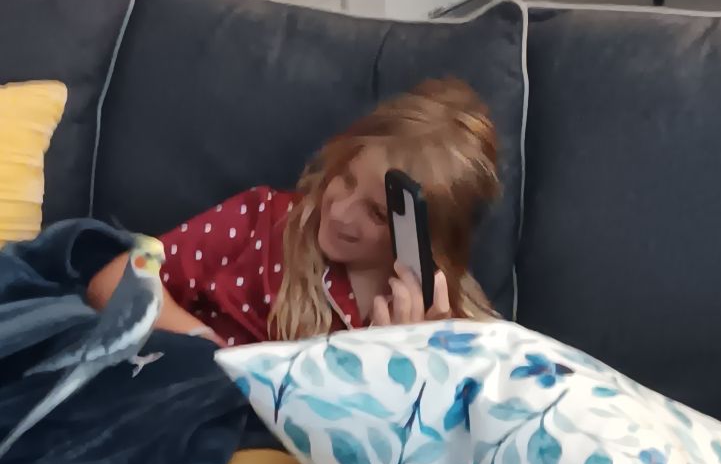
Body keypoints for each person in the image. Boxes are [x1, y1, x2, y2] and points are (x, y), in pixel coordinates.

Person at [88, 78, 500, 346]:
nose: (341, 211)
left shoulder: (447, 321)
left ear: (426, 238)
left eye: (376, 213)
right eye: (346, 178)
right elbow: (117, 278)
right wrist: (207, 348)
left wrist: (412, 357)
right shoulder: (260, 221)